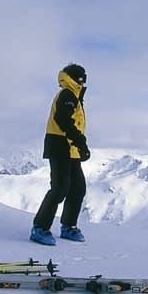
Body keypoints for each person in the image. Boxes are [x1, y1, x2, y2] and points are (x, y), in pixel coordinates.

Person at [31, 63, 91, 246]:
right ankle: (39, 228)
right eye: (81, 76)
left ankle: (68, 226)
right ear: (74, 78)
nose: (83, 78)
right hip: (59, 145)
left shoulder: (74, 95)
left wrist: (79, 146)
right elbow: (62, 119)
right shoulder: (67, 94)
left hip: (69, 148)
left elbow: (72, 123)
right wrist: (80, 142)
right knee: (60, 188)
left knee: (78, 188)